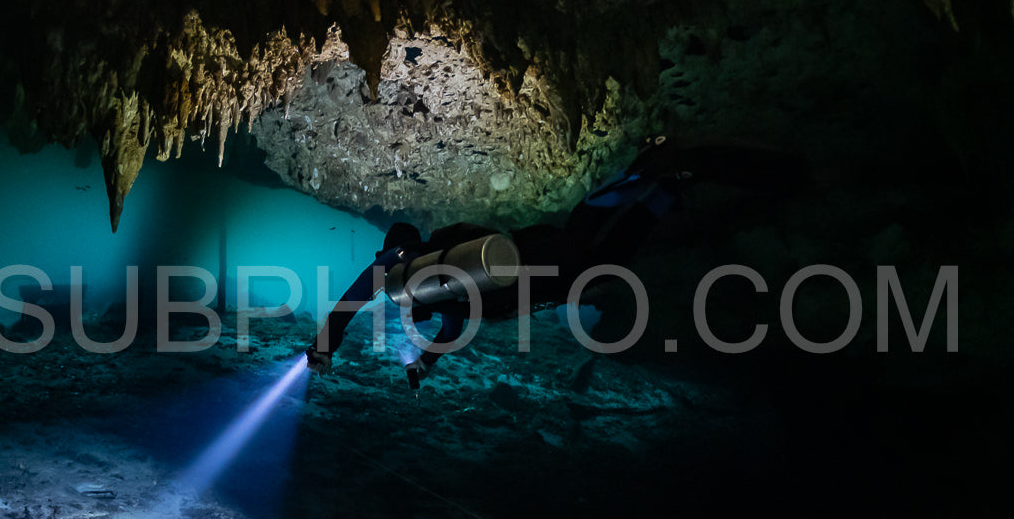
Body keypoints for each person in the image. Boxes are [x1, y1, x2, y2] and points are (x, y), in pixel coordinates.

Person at [305, 135, 804, 384]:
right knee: (587, 236)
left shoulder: (408, 270)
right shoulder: (444, 258)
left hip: (539, 291)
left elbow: (358, 302)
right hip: (531, 264)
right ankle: (661, 176)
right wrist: (425, 363)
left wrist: (330, 346)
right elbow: (451, 325)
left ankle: (659, 180)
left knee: (607, 249)